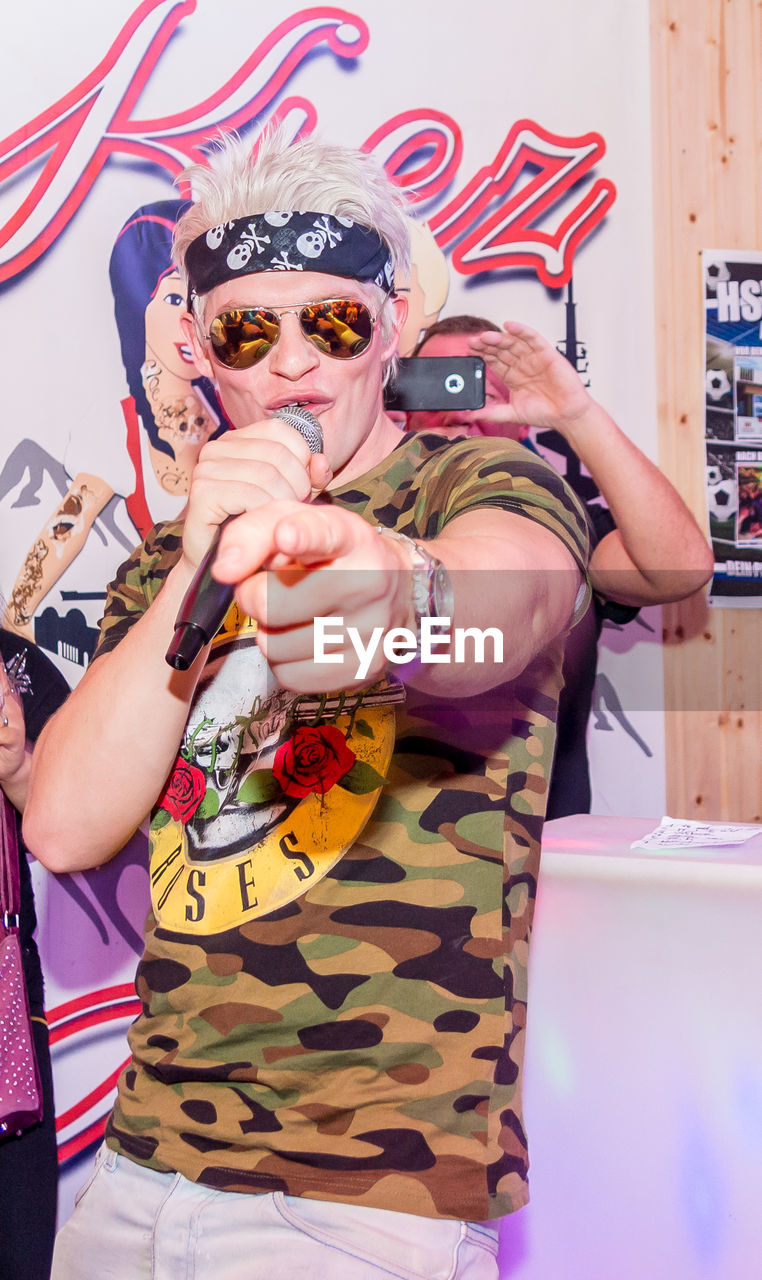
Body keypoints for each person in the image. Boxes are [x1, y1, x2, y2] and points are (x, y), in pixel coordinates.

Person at [27, 126, 601, 1280]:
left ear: (389, 324)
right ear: (202, 353)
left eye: (331, 322)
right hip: (142, 1166)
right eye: (251, 328)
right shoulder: (168, 558)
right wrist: (202, 557)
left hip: (362, 1200)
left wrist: (384, 588)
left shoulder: (475, 483)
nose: (295, 365)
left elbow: (509, 602)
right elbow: (62, 822)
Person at [406, 314, 714, 817]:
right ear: (401, 400)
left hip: (542, 855)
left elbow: (680, 568)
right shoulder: (357, 519)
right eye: (438, 382)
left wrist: (576, 415)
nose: (457, 406)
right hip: (373, 865)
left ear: (522, 413)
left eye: (479, 384)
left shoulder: (563, 527)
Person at [3, 200, 229, 640]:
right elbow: (68, 523)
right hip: (166, 640)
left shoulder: (240, 406)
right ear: (137, 308)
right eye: (172, 297)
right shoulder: (119, 428)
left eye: (200, 299)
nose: (189, 320)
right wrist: (16, 619)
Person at [0, 627, 69, 1280]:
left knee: (23, 1254)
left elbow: (76, 825)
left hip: (6, 1029)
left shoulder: (14, 665)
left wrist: (19, 765)